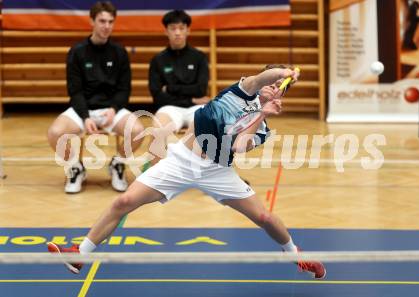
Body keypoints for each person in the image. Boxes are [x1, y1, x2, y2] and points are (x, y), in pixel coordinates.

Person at [47, 66, 326, 279]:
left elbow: (240, 146)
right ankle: (80, 254)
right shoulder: (241, 90)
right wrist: (288, 72)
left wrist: (262, 114)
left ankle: (294, 254)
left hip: (218, 171)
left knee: (264, 217)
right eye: (270, 81)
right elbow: (265, 76)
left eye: (279, 86)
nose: (273, 85)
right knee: (123, 202)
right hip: (181, 161)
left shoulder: (262, 125)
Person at [47, 1, 144, 194]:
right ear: (92, 21)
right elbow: (75, 91)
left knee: (137, 130)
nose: (106, 26)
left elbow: (124, 89)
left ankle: (117, 163)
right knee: (55, 133)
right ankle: (76, 167)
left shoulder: (119, 52)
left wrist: (114, 109)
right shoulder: (77, 52)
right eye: (102, 21)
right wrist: (85, 116)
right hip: (83, 109)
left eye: (110, 21)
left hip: (110, 110)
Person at [146, 9, 209, 168]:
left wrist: (171, 88)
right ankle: (154, 177)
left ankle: (205, 172)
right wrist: (190, 97)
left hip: (196, 107)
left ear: (188, 30)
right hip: (170, 108)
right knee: (157, 129)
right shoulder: (158, 60)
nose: (177, 33)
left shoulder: (199, 57)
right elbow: (157, 96)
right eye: (173, 28)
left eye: (181, 28)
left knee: (211, 123)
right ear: (166, 31)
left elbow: (200, 90)